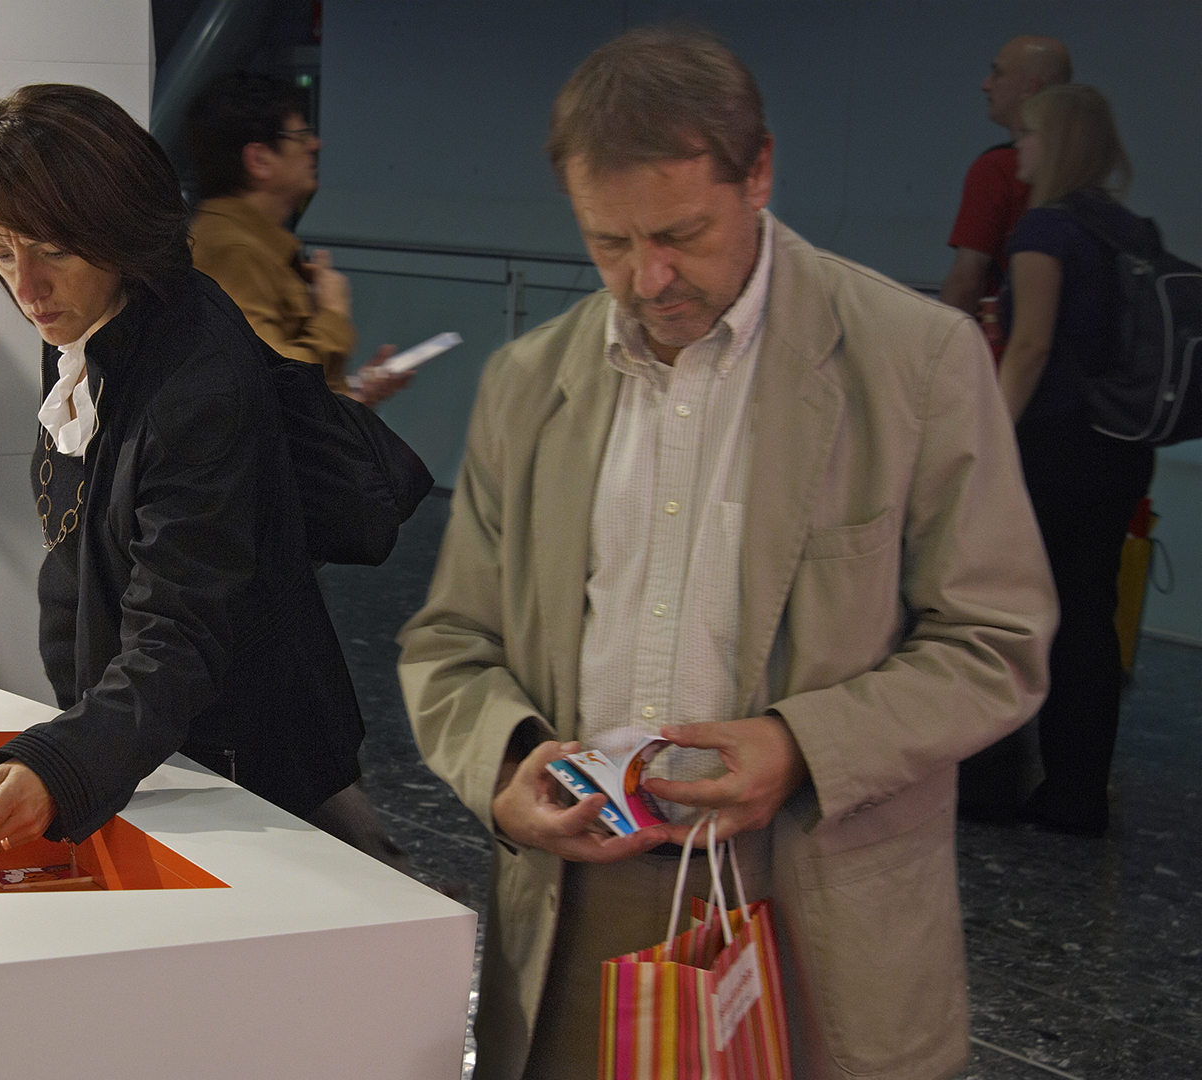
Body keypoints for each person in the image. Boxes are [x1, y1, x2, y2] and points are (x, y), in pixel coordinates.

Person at [396, 27, 1054, 1080]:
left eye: (680, 233)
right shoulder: (530, 383)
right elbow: (450, 641)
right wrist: (508, 764)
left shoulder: (916, 360)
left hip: (813, 899)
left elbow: (998, 643)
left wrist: (799, 745)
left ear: (760, 173)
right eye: (607, 242)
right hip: (578, 911)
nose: (647, 279)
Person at [0, 84, 364, 858]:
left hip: (240, 762)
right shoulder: (93, 321)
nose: (24, 288)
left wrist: (68, 760)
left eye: (51, 249)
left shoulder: (195, 379)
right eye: (1, 253)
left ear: (119, 228)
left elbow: (181, 628)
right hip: (159, 737)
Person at [989, 84, 1150, 837]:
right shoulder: (1128, 228)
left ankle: (988, 786)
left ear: (1053, 143)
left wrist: (984, 440)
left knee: (1001, 609)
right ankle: (1078, 791)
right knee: (1087, 616)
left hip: (1048, 448)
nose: (1015, 149)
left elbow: (1031, 345)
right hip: (1120, 448)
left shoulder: (1044, 230)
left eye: (1025, 135)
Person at [185, 72, 407, 406]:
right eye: (300, 135)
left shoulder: (244, 243)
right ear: (259, 159)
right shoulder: (233, 253)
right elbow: (271, 384)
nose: (314, 144)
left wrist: (352, 396)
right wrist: (332, 315)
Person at [937, 35, 1071, 343]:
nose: (986, 84)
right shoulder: (1081, 173)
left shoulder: (996, 168)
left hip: (1005, 358)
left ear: (1030, 87)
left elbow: (966, 281)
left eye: (997, 73)